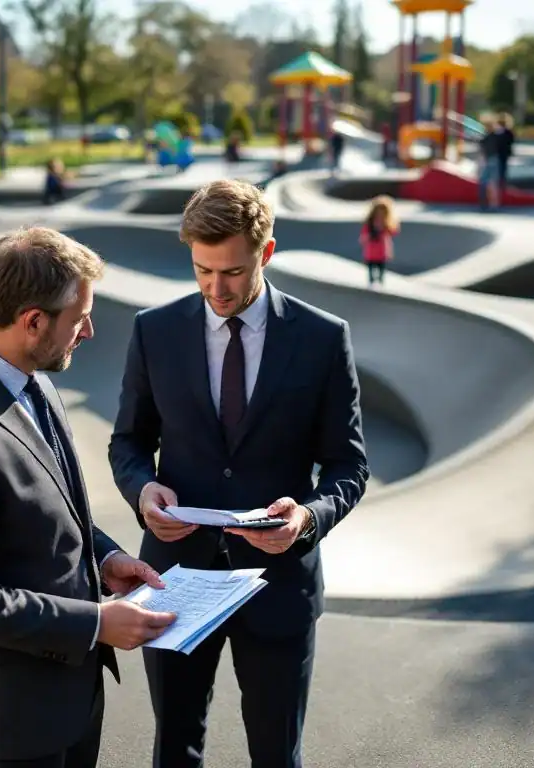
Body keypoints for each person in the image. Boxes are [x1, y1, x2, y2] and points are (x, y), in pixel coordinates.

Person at [108, 179, 370, 768]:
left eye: (230, 272)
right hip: (176, 580)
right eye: (202, 270)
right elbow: (127, 442)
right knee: (175, 748)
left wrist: (307, 518)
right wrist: (141, 490)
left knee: (277, 755)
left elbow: (349, 464)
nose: (215, 288)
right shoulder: (155, 331)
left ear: (266, 253)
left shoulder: (324, 338)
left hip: (279, 588)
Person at [0, 226, 177, 768]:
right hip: (12, 722)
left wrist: (105, 558)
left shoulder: (34, 379)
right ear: (33, 322)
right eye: (78, 319)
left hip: (70, 699)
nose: (89, 331)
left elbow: (54, 505)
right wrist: (96, 623)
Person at [358, 195, 400, 286]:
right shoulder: (369, 224)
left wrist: (386, 227)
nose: (380, 214)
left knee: (381, 273)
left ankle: (381, 286)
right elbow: (363, 238)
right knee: (371, 274)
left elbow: (394, 231)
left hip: (381, 252)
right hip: (371, 252)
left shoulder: (386, 225)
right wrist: (370, 236)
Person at [477, 115, 502, 210]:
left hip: (489, 160)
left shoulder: (488, 137)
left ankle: (489, 203)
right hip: (492, 159)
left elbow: (484, 150)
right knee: (491, 183)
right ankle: (492, 204)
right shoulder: (495, 136)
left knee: (488, 182)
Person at [495, 112, 516, 195]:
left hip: (502, 153)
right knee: (501, 169)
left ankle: (501, 185)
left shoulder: (506, 132)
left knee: (502, 169)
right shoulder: (502, 132)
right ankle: (500, 184)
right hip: (501, 153)